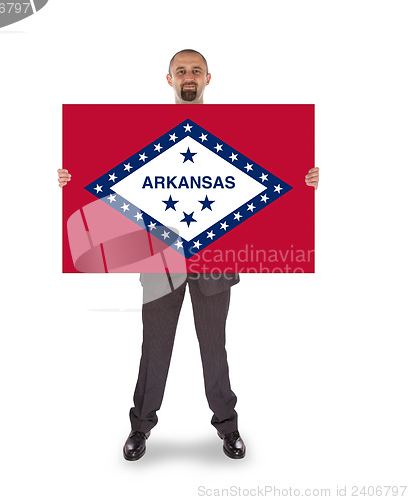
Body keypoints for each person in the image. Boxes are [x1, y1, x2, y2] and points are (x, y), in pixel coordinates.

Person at [58, 49, 320, 461]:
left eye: (195, 70)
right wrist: (74, 178)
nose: (188, 76)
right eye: (181, 71)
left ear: (208, 78)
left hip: (215, 263)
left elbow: (272, 171)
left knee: (214, 347)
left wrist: (302, 179)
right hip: (159, 261)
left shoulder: (236, 131)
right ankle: (140, 427)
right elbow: (109, 176)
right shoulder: (142, 132)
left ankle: (227, 426)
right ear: (169, 80)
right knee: (155, 347)